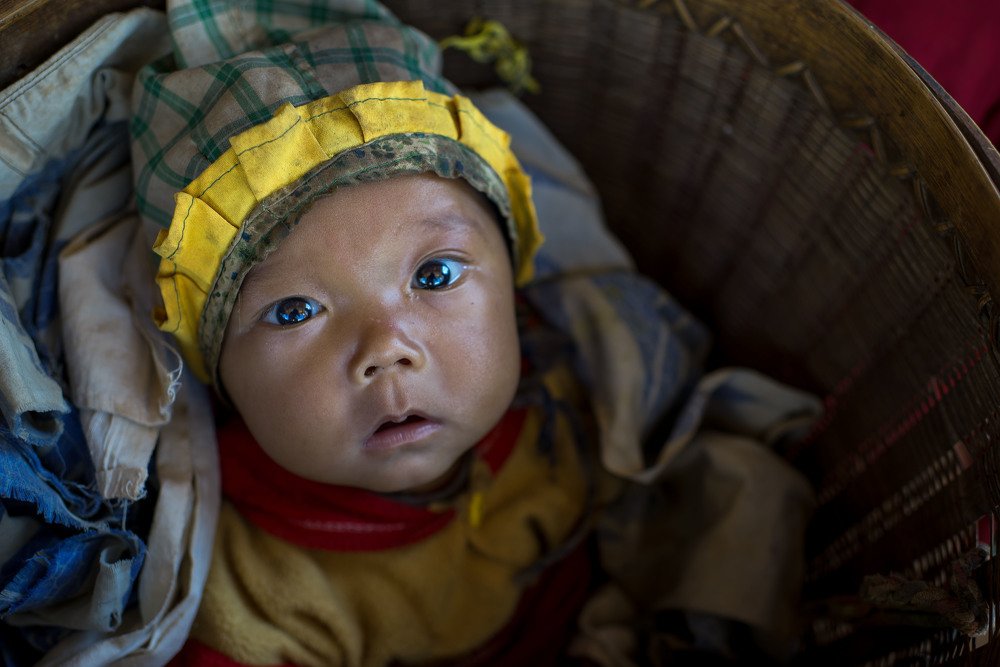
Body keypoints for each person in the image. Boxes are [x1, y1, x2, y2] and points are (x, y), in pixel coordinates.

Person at [131, 2, 820, 665]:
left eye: (434, 275)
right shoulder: (260, 588)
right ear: (220, 377)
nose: (387, 348)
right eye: (293, 311)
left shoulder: (561, 394)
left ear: (513, 291)